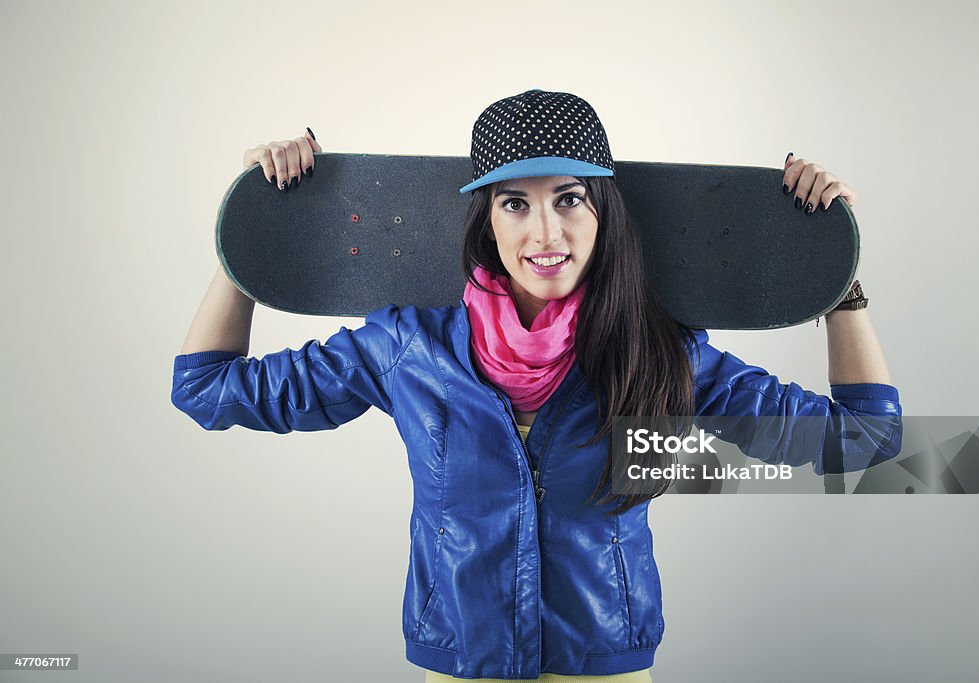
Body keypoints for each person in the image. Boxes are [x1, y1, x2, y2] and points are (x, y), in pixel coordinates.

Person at [171, 89, 901, 682]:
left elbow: (867, 441)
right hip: (460, 670)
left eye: (570, 197)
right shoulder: (409, 349)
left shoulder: (660, 351)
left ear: (603, 211)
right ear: (487, 220)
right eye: (515, 202)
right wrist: (254, 233)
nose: (545, 231)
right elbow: (207, 387)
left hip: (604, 674)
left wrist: (834, 280)